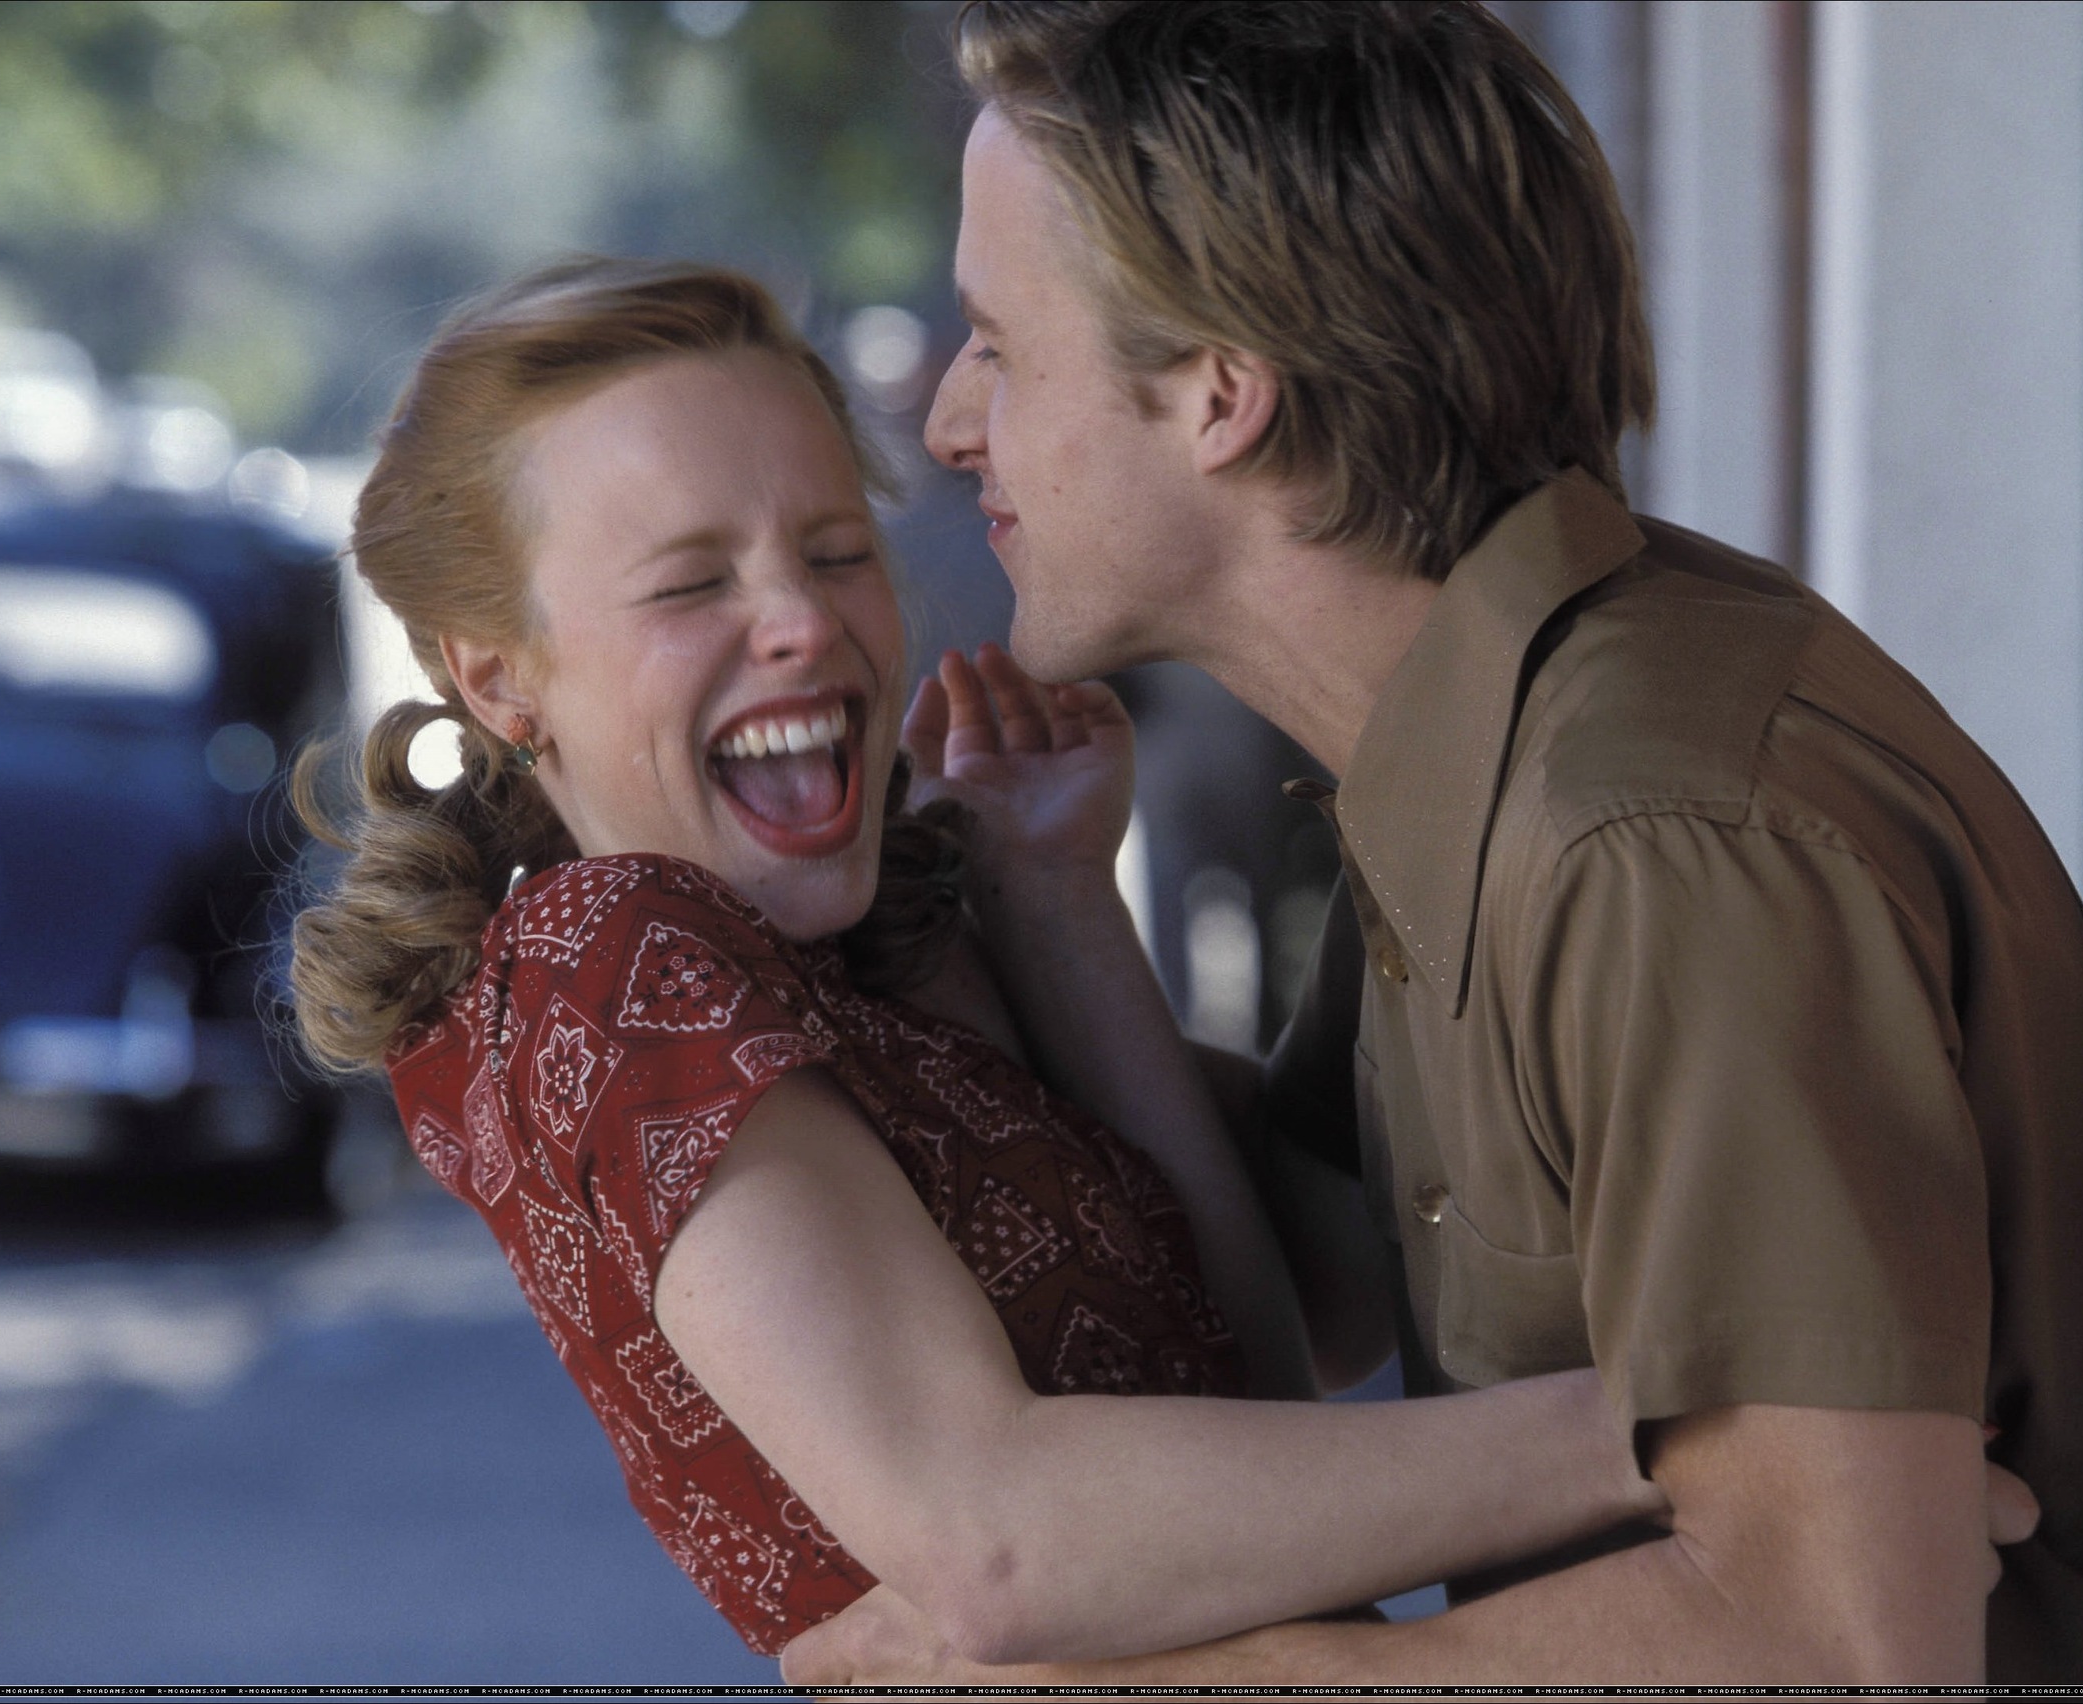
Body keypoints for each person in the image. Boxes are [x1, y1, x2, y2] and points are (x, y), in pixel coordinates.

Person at [781, 0, 2083, 1686]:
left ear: (1219, 391)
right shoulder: (1482, 729)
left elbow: (1841, 1642)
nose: (952, 423)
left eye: (999, 346)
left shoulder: (1653, 834)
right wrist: (1037, 921)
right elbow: (1314, 1287)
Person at [286, 257, 1709, 1661]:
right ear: (497, 674)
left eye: (837, 550)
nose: (806, 623)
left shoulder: (848, 958)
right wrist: (1683, 1430)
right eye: (690, 584)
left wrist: (1057, 903)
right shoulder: (612, 957)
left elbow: (1272, 1368)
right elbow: (1003, 1546)